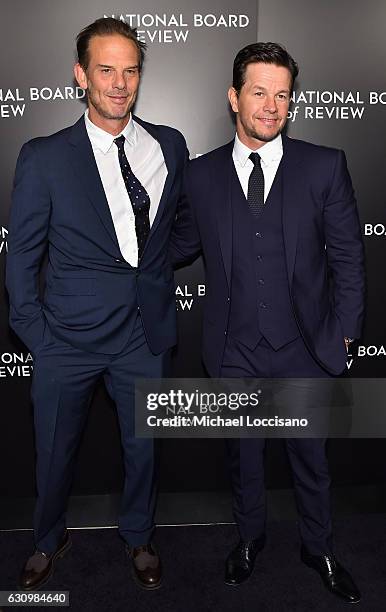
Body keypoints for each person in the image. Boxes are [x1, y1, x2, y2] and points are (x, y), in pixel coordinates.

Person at [171, 42, 365, 603]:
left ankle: (320, 546)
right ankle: (250, 539)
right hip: (235, 350)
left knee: (312, 459)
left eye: (282, 94)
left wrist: (345, 336)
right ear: (235, 97)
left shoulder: (324, 166)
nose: (271, 106)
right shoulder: (202, 175)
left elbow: (349, 257)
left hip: (305, 347)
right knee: (244, 455)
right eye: (259, 92)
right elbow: (178, 244)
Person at [6, 17, 187, 591]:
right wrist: (40, 336)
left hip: (143, 333)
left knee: (145, 451)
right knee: (54, 454)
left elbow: (176, 230)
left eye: (130, 70)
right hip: (68, 338)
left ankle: (138, 535)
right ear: (81, 74)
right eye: (106, 69)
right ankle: (46, 537)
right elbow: (22, 258)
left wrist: (154, 278)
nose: (119, 83)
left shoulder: (169, 146)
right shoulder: (45, 156)